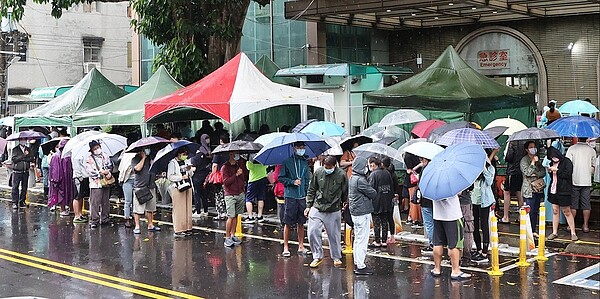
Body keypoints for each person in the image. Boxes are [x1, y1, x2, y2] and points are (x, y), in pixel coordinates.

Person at [305, 156, 348, 268]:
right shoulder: (319, 172)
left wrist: (344, 203)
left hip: (334, 208)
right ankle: (317, 256)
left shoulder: (341, 175)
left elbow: (345, 191)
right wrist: (308, 206)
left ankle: (336, 256)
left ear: (335, 166)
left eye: (329, 167)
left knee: (334, 235)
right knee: (312, 231)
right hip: (318, 205)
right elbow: (312, 189)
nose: (327, 169)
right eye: (325, 167)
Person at [278, 142, 311, 257]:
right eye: (299, 147)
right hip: (290, 196)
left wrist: (306, 192)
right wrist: (292, 182)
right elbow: (281, 177)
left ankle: (301, 245)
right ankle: (286, 246)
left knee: (301, 222)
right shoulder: (287, 162)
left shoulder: (304, 163)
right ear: (294, 148)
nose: (301, 149)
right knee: (287, 222)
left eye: (303, 147)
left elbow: (307, 179)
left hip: (301, 196)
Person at [348, 156, 378, 275]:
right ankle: (361, 266)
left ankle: (357, 261)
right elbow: (373, 193)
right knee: (362, 239)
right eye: (365, 165)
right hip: (362, 212)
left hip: (356, 212)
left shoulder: (353, 178)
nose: (367, 167)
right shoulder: (360, 180)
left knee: (358, 239)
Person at [431, 194, 471, 281]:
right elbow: (459, 192)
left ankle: (437, 268)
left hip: (437, 214)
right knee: (454, 244)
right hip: (453, 215)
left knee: (438, 242)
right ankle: (455, 270)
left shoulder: (434, 183)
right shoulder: (452, 181)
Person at [546, 146, 578, 241]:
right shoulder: (552, 163)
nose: (553, 159)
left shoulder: (566, 161)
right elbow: (553, 177)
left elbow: (568, 174)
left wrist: (557, 171)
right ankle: (554, 232)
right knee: (555, 210)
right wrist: (550, 172)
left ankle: (573, 232)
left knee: (567, 211)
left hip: (564, 190)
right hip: (553, 189)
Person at [566, 137, 596, 233]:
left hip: (575, 179)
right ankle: (586, 225)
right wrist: (588, 172)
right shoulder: (591, 150)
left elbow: (567, 164)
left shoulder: (572, 149)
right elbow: (593, 166)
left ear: (578, 138)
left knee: (573, 204)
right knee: (586, 204)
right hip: (586, 180)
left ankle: (571, 225)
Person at [471, 157, 496, 263]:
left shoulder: (490, 168)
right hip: (474, 200)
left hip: (485, 201)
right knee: (474, 226)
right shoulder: (473, 169)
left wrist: (483, 168)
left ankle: (485, 252)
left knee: (484, 225)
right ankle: (478, 249)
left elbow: (490, 181)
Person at [131, 147, 160, 234]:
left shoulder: (151, 158)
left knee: (150, 207)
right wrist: (143, 158)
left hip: (150, 185)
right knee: (138, 208)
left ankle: (150, 224)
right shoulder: (135, 159)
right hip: (140, 186)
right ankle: (137, 226)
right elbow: (137, 168)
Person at [85, 140, 114, 228]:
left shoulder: (105, 156)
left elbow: (110, 166)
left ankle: (105, 218)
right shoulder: (89, 159)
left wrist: (107, 171)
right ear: (92, 150)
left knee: (105, 201)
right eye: (95, 148)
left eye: (98, 147)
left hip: (106, 182)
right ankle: (94, 220)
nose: (97, 149)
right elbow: (90, 171)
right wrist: (100, 172)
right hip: (95, 183)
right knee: (95, 202)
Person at [520, 141, 546, 237]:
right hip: (529, 189)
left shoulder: (538, 159)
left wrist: (536, 173)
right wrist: (533, 163)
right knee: (529, 210)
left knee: (535, 210)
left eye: (534, 147)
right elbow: (527, 172)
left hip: (538, 188)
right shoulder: (524, 160)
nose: (533, 149)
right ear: (527, 149)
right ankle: (528, 230)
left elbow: (542, 172)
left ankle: (533, 229)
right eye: (531, 147)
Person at [221, 151, 247, 247]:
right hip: (230, 194)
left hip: (239, 193)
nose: (237, 156)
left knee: (236, 215)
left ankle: (233, 234)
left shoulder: (238, 165)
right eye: (234, 154)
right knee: (230, 216)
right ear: (231, 155)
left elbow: (243, 178)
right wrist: (235, 175)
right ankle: (227, 237)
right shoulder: (225, 167)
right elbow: (226, 182)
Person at [368, 156, 394, 247]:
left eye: (371, 165)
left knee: (376, 222)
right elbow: (391, 187)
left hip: (376, 201)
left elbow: (370, 189)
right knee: (384, 221)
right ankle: (384, 240)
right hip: (387, 200)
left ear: (375, 165)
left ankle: (377, 241)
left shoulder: (373, 175)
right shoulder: (387, 173)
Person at [168, 147, 194, 238]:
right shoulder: (172, 163)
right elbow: (170, 176)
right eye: (183, 154)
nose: (185, 156)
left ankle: (187, 228)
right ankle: (179, 229)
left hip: (188, 186)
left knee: (187, 208)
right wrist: (180, 178)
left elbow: (190, 174)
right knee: (179, 208)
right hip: (178, 187)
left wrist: (189, 170)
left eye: (186, 154)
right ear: (178, 154)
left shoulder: (186, 161)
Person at [501, 140, 526, 223]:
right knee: (519, 193)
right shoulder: (524, 142)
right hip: (521, 171)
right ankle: (521, 216)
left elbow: (509, 158)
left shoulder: (512, 143)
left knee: (507, 192)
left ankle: (505, 217)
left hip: (512, 170)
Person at [48, 139, 74, 217]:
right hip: (61, 178)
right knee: (61, 194)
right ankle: (63, 209)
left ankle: (71, 208)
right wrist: (56, 180)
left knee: (69, 193)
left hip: (68, 178)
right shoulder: (57, 156)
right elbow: (55, 169)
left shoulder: (68, 155)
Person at [191, 134, 212, 218]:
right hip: (205, 176)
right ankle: (205, 210)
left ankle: (198, 210)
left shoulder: (198, 155)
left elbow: (194, 167)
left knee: (197, 194)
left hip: (197, 177)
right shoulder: (208, 152)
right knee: (204, 194)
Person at [243, 155, 268, 223]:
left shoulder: (250, 160)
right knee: (261, 197)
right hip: (263, 178)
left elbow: (249, 168)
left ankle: (250, 217)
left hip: (253, 180)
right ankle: (260, 216)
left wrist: (248, 160)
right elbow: (267, 166)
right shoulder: (263, 159)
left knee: (249, 199)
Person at [11, 138, 35, 209]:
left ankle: (22, 201)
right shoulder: (15, 149)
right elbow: (14, 159)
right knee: (15, 187)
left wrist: (25, 158)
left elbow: (31, 158)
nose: (23, 141)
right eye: (22, 140)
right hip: (17, 172)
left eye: (24, 139)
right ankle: (15, 202)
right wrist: (23, 155)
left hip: (25, 171)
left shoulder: (28, 149)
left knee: (24, 187)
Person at [211, 134, 230, 220]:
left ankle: (221, 213)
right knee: (228, 194)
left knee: (219, 195)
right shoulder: (230, 150)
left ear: (221, 141)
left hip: (219, 177)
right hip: (229, 176)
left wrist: (212, 175)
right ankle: (228, 212)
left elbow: (215, 165)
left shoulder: (218, 151)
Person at [382, 157, 401, 243]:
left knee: (385, 217)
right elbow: (396, 186)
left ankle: (385, 237)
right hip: (393, 197)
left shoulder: (386, 174)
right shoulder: (393, 174)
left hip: (386, 197)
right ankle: (392, 236)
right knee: (390, 217)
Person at [118, 150, 136, 228]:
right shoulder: (125, 155)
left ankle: (134, 219)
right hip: (127, 180)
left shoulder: (138, 155)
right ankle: (127, 219)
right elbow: (122, 168)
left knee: (134, 202)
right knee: (128, 201)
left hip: (135, 181)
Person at [403, 152, 422, 226]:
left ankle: (411, 217)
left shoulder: (412, 155)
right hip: (412, 181)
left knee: (414, 199)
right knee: (414, 200)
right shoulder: (408, 156)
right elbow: (409, 170)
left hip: (414, 180)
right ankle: (415, 219)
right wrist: (419, 165)